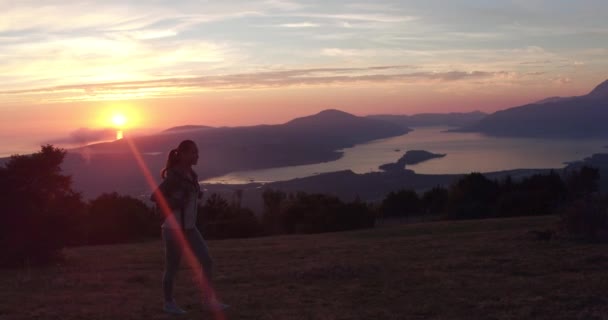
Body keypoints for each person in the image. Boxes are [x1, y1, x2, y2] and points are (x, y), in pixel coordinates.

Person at [151, 140, 228, 315]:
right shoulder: (174, 176)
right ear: (183, 154)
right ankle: (169, 304)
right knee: (172, 268)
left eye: (197, 152)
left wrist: (196, 194)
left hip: (190, 227)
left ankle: (208, 301)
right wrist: (176, 202)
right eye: (193, 153)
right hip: (174, 229)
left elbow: (188, 194)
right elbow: (155, 196)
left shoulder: (191, 174)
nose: (197, 155)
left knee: (207, 261)